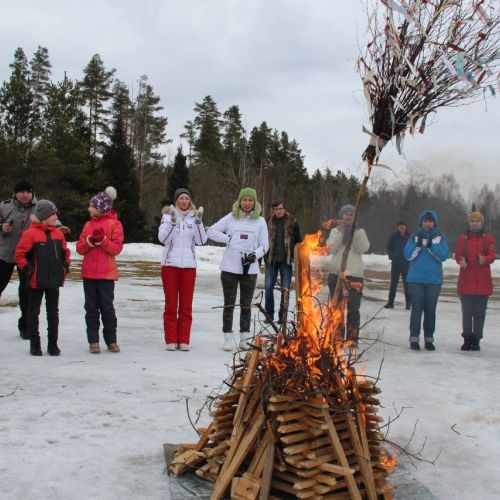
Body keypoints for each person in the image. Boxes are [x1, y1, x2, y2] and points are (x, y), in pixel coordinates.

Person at [207, 187, 269, 351]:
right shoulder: (230, 218)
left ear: (254, 203)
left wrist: (253, 256)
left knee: (246, 304)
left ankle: (244, 337)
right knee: (229, 303)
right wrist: (228, 239)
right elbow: (210, 231)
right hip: (230, 267)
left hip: (250, 269)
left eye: (250, 200)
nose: (247, 203)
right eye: (244, 200)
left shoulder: (260, 221)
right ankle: (228, 337)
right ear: (239, 201)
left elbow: (265, 245)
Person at [15, 200, 70, 356]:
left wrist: (64, 269)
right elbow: (20, 255)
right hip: (35, 281)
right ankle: (35, 345)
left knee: (53, 313)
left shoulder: (58, 233)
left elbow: (65, 253)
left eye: (55, 214)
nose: (55, 217)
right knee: (33, 313)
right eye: (52, 214)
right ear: (43, 216)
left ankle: (53, 345)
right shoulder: (30, 234)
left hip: (54, 281)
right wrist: (30, 271)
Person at [76, 187, 124, 354]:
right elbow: (79, 249)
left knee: (107, 308)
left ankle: (111, 340)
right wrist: (88, 242)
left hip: (106, 275)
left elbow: (116, 248)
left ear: (100, 208)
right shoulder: (87, 225)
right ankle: (93, 341)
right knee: (91, 308)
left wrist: (103, 241)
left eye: (91, 206)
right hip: (89, 274)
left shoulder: (115, 224)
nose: (88, 209)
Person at [158, 188, 207, 351]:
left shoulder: (195, 217)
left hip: (188, 268)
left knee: (186, 305)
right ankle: (171, 339)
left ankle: (184, 339)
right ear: (176, 200)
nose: (184, 201)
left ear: (190, 201)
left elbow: (201, 241)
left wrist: (199, 224)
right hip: (170, 266)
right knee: (171, 305)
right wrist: (173, 223)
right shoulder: (167, 216)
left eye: (186, 198)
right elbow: (163, 239)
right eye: (181, 198)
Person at [404, 210, 449, 351]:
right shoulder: (414, 236)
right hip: (415, 279)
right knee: (417, 309)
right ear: (421, 222)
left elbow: (443, 255)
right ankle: (414, 339)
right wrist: (418, 245)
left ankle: (429, 339)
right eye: (425, 221)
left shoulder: (440, 237)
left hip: (433, 280)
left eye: (430, 221)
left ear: (434, 223)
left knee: (430, 310)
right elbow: (407, 255)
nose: (428, 223)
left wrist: (431, 246)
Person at [326, 204, 370, 344]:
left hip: (355, 274)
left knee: (353, 307)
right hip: (336, 272)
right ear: (342, 216)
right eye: (346, 214)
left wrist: (354, 233)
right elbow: (331, 249)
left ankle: (352, 338)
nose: (349, 216)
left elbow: (363, 248)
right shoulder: (335, 231)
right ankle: (337, 337)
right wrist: (341, 233)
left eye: (351, 214)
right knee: (337, 306)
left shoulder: (360, 231)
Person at [0, 180, 37, 338]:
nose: (25, 195)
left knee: (27, 291)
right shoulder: (4, 206)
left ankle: (26, 326)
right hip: (4, 253)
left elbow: (52, 220)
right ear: (15, 193)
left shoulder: (40, 207)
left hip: (28, 255)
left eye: (28, 191)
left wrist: (58, 227)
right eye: (21, 191)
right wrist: (1, 227)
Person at [455, 211, 495, 351]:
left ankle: (476, 339)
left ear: (482, 223)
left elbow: (492, 255)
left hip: (483, 283)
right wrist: (461, 260)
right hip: (466, 282)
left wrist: (485, 259)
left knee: (479, 313)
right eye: (473, 220)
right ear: (469, 222)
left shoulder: (488, 238)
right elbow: (458, 254)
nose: (475, 223)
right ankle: (467, 338)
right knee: (467, 313)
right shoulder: (463, 238)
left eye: (478, 221)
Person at [264, 200, 302, 325]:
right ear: (273, 210)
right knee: (268, 288)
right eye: (276, 209)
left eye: (281, 208)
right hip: (271, 260)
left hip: (286, 260)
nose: (279, 211)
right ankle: (269, 315)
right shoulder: (268, 221)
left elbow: (299, 240)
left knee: (285, 289)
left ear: (284, 209)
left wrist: (296, 256)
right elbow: (262, 239)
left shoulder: (292, 221)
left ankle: (282, 315)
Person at [385, 220, 410, 309]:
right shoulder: (393, 237)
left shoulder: (410, 237)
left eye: (403, 225)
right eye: (400, 226)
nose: (402, 227)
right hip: (395, 264)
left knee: (407, 284)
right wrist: (391, 256)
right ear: (397, 227)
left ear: (406, 227)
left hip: (406, 264)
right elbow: (388, 247)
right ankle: (390, 302)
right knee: (393, 284)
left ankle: (408, 303)